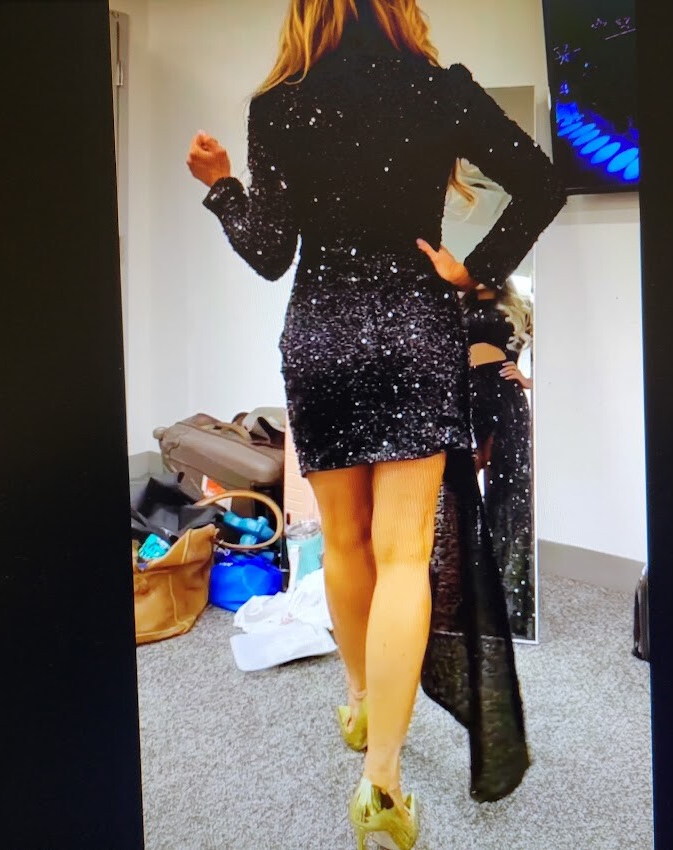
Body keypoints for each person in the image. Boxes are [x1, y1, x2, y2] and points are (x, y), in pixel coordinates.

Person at [184, 2, 565, 847]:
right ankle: (382, 781)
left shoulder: (277, 104)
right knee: (402, 557)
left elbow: (270, 253)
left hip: (320, 337)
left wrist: (220, 185)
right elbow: (544, 181)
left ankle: (360, 703)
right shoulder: (441, 89)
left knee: (346, 545)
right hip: (415, 333)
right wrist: (477, 271)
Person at [462, 280, 537, 640]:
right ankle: (472, 591)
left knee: (506, 492)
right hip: (466, 401)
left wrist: (530, 380)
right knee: (462, 488)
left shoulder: (521, 308)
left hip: (506, 400)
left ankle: (507, 596)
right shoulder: (455, 306)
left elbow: (563, 347)